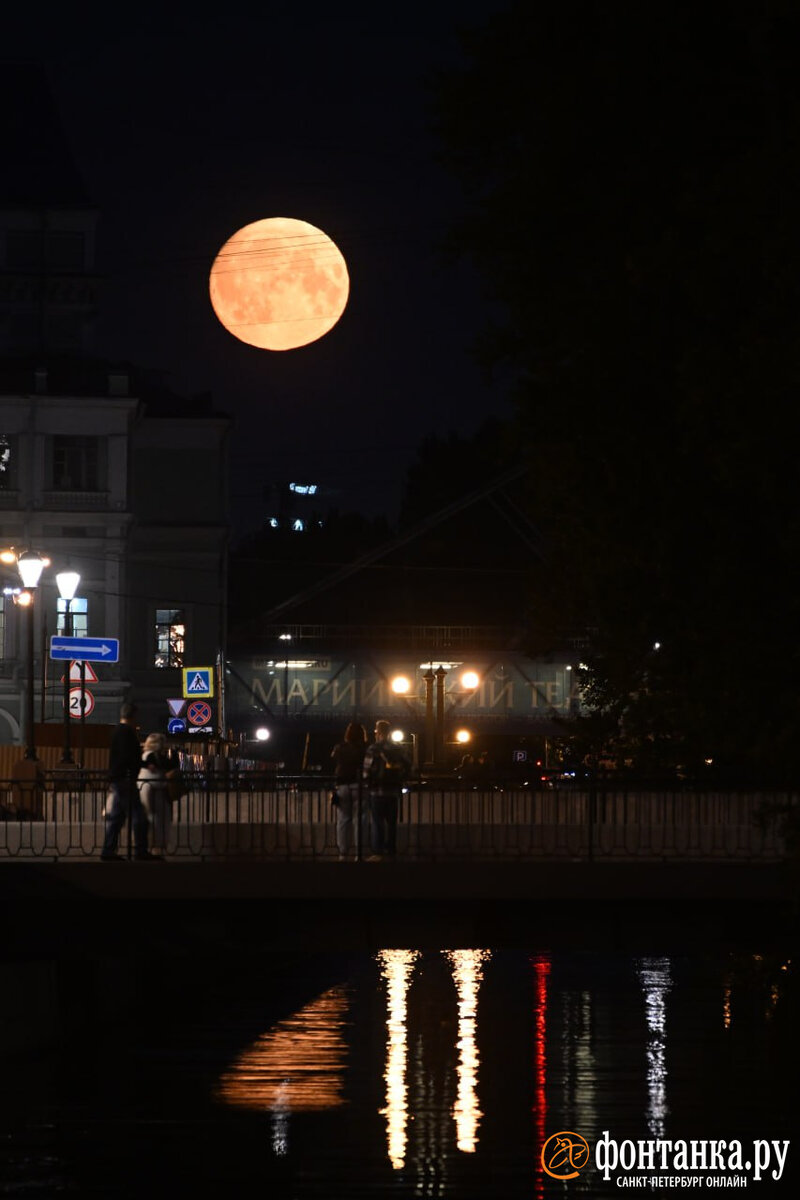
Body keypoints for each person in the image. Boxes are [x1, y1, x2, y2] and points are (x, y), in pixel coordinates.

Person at [101, 702, 156, 861]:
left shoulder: (117, 731)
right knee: (139, 816)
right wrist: (143, 765)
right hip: (126, 779)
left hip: (118, 778)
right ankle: (140, 850)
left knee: (117, 817)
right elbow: (130, 756)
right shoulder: (128, 733)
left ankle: (108, 850)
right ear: (133, 716)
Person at [362, 720, 410, 861]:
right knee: (392, 823)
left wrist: (367, 783)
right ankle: (391, 850)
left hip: (377, 791)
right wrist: (401, 780)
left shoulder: (373, 749)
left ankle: (378, 852)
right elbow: (408, 766)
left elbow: (366, 770)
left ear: (378, 732)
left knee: (378, 822)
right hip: (394, 790)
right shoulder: (398, 748)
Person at [330, 722, 368, 859]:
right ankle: (359, 853)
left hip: (343, 785)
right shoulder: (365, 749)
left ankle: (343, 852)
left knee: (343, 819)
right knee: (360, 820)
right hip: (360, 786)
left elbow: (334, 759)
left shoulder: (339, 748)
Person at [138, 731, 172, 854]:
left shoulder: (145, 756)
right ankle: (156, 849)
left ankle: (153, 848)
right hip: (155, 796)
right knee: (158, 825)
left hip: (150, 795)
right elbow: (168, 765)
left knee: (153, 824)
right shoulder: (152, 757)